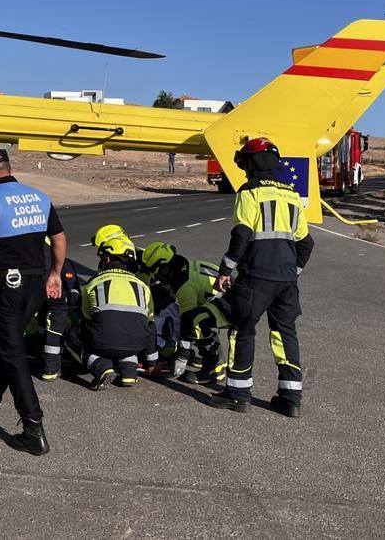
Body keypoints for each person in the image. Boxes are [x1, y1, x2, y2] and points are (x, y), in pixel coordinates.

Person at [0, 148, 66, 456]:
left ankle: (34, 429)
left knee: (12, 354)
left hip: (6, 289)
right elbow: (59, 239)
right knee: (6, 350)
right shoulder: (39, 197)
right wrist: (56, 274)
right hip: (34, 286)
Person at [212, 137, 313, 417]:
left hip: (256, 277)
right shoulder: (292, 195)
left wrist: (224, 271)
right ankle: (291, 399)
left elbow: (241, 234)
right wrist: (293, 272)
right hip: (286, 282)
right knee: (285, 334)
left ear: (252, 164)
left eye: (245, 163)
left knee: (242, 330)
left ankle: (237, 394)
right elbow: (306, 243)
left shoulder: (250, 193)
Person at [73, 234, 156, 389]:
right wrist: (152, 362)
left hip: (103, 342)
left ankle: (102, 368)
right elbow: (150, 324)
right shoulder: (142, 286)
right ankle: (129, 372)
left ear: (108, 259)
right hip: (137, 344)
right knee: (128, 334)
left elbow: (85, 315)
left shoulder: (95, 282)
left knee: (74, 333)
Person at [140, 242, 228, 385]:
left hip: (229, 308)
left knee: (196, 324)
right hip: (228, 301)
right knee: (196, 319)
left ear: (164, 268)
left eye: (156, 274)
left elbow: (188, 324)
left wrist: (182, 356)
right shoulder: (189, 266)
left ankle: (214, 369)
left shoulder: (185, 286)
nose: (157, 279)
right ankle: (217, 361)